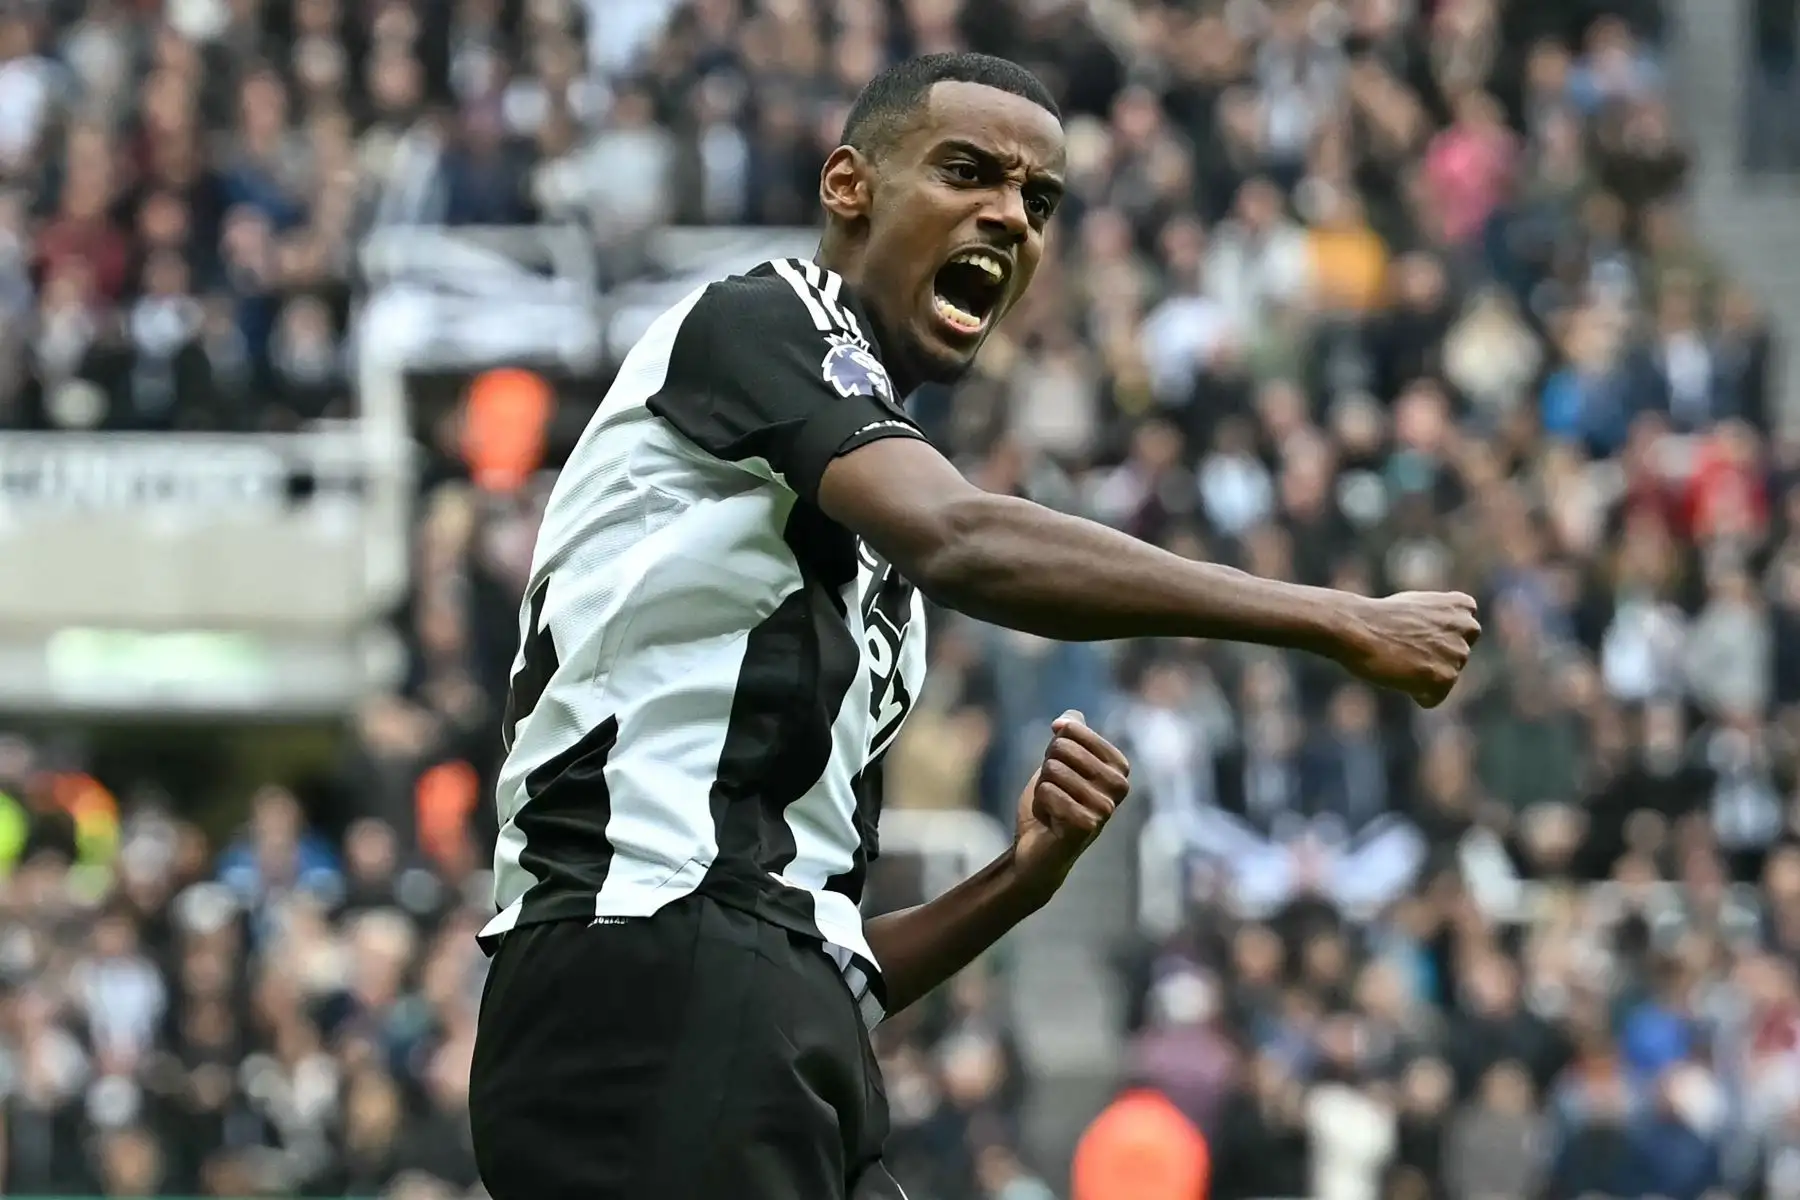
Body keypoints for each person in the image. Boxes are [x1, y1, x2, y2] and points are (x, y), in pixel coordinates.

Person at [468, 52, 1481, 1200]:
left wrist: (1018, 881)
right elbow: (963, 539)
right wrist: (1335, 619)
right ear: (849, 184)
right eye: (967, 172)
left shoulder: (842, 527)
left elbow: (823, 947)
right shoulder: (756, 321)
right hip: (643, 988)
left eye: (1038, 201)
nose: (1009, 215)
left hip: (752, 1008)